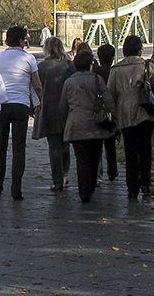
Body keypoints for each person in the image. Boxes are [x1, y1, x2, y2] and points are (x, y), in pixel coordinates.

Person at [106, 35, 154, 200]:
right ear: (140, 48)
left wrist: (112, 117)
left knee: (130, 151)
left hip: (125, 114)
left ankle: (132, 186)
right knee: (145, 148)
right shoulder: (147, 66)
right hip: (146, 112)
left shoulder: (115, 70)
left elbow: (110, 96)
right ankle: (146, 183)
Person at [0, 26, 43, 200]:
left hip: (1, 105)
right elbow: (37, 85)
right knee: (19, 147)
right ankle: (16, 190)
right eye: (25, 39)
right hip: (21, 106)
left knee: (0, 146)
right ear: (21, 41)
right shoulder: (29, 58)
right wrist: (38, 101)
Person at [60, 49, 116, 203]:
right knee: (94, 156)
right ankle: (90, 185)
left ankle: (84, 190)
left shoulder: (69, 82)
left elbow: (63, 106)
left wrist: (65, 122)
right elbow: (108, 100)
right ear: (91, 64)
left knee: (81, 159)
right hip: (95, 124)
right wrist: (115, 118)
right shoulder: (97, 80)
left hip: (76, 124)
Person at [31, 37, 74, 192]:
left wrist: (34, 106)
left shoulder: (41, 67)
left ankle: (57, 180)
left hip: (48, 109)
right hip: (67, 109)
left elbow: (35, 88)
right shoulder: (68, 65)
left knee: (53, 146)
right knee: (65, 144)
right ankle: (65, 174)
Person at [93, 43, 120, 182]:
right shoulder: (115, 71)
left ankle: (98, 173)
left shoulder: (95, 72)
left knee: (97, 143)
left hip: (98, 110)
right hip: (111, 109)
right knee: (110, 142)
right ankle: (112, 170)